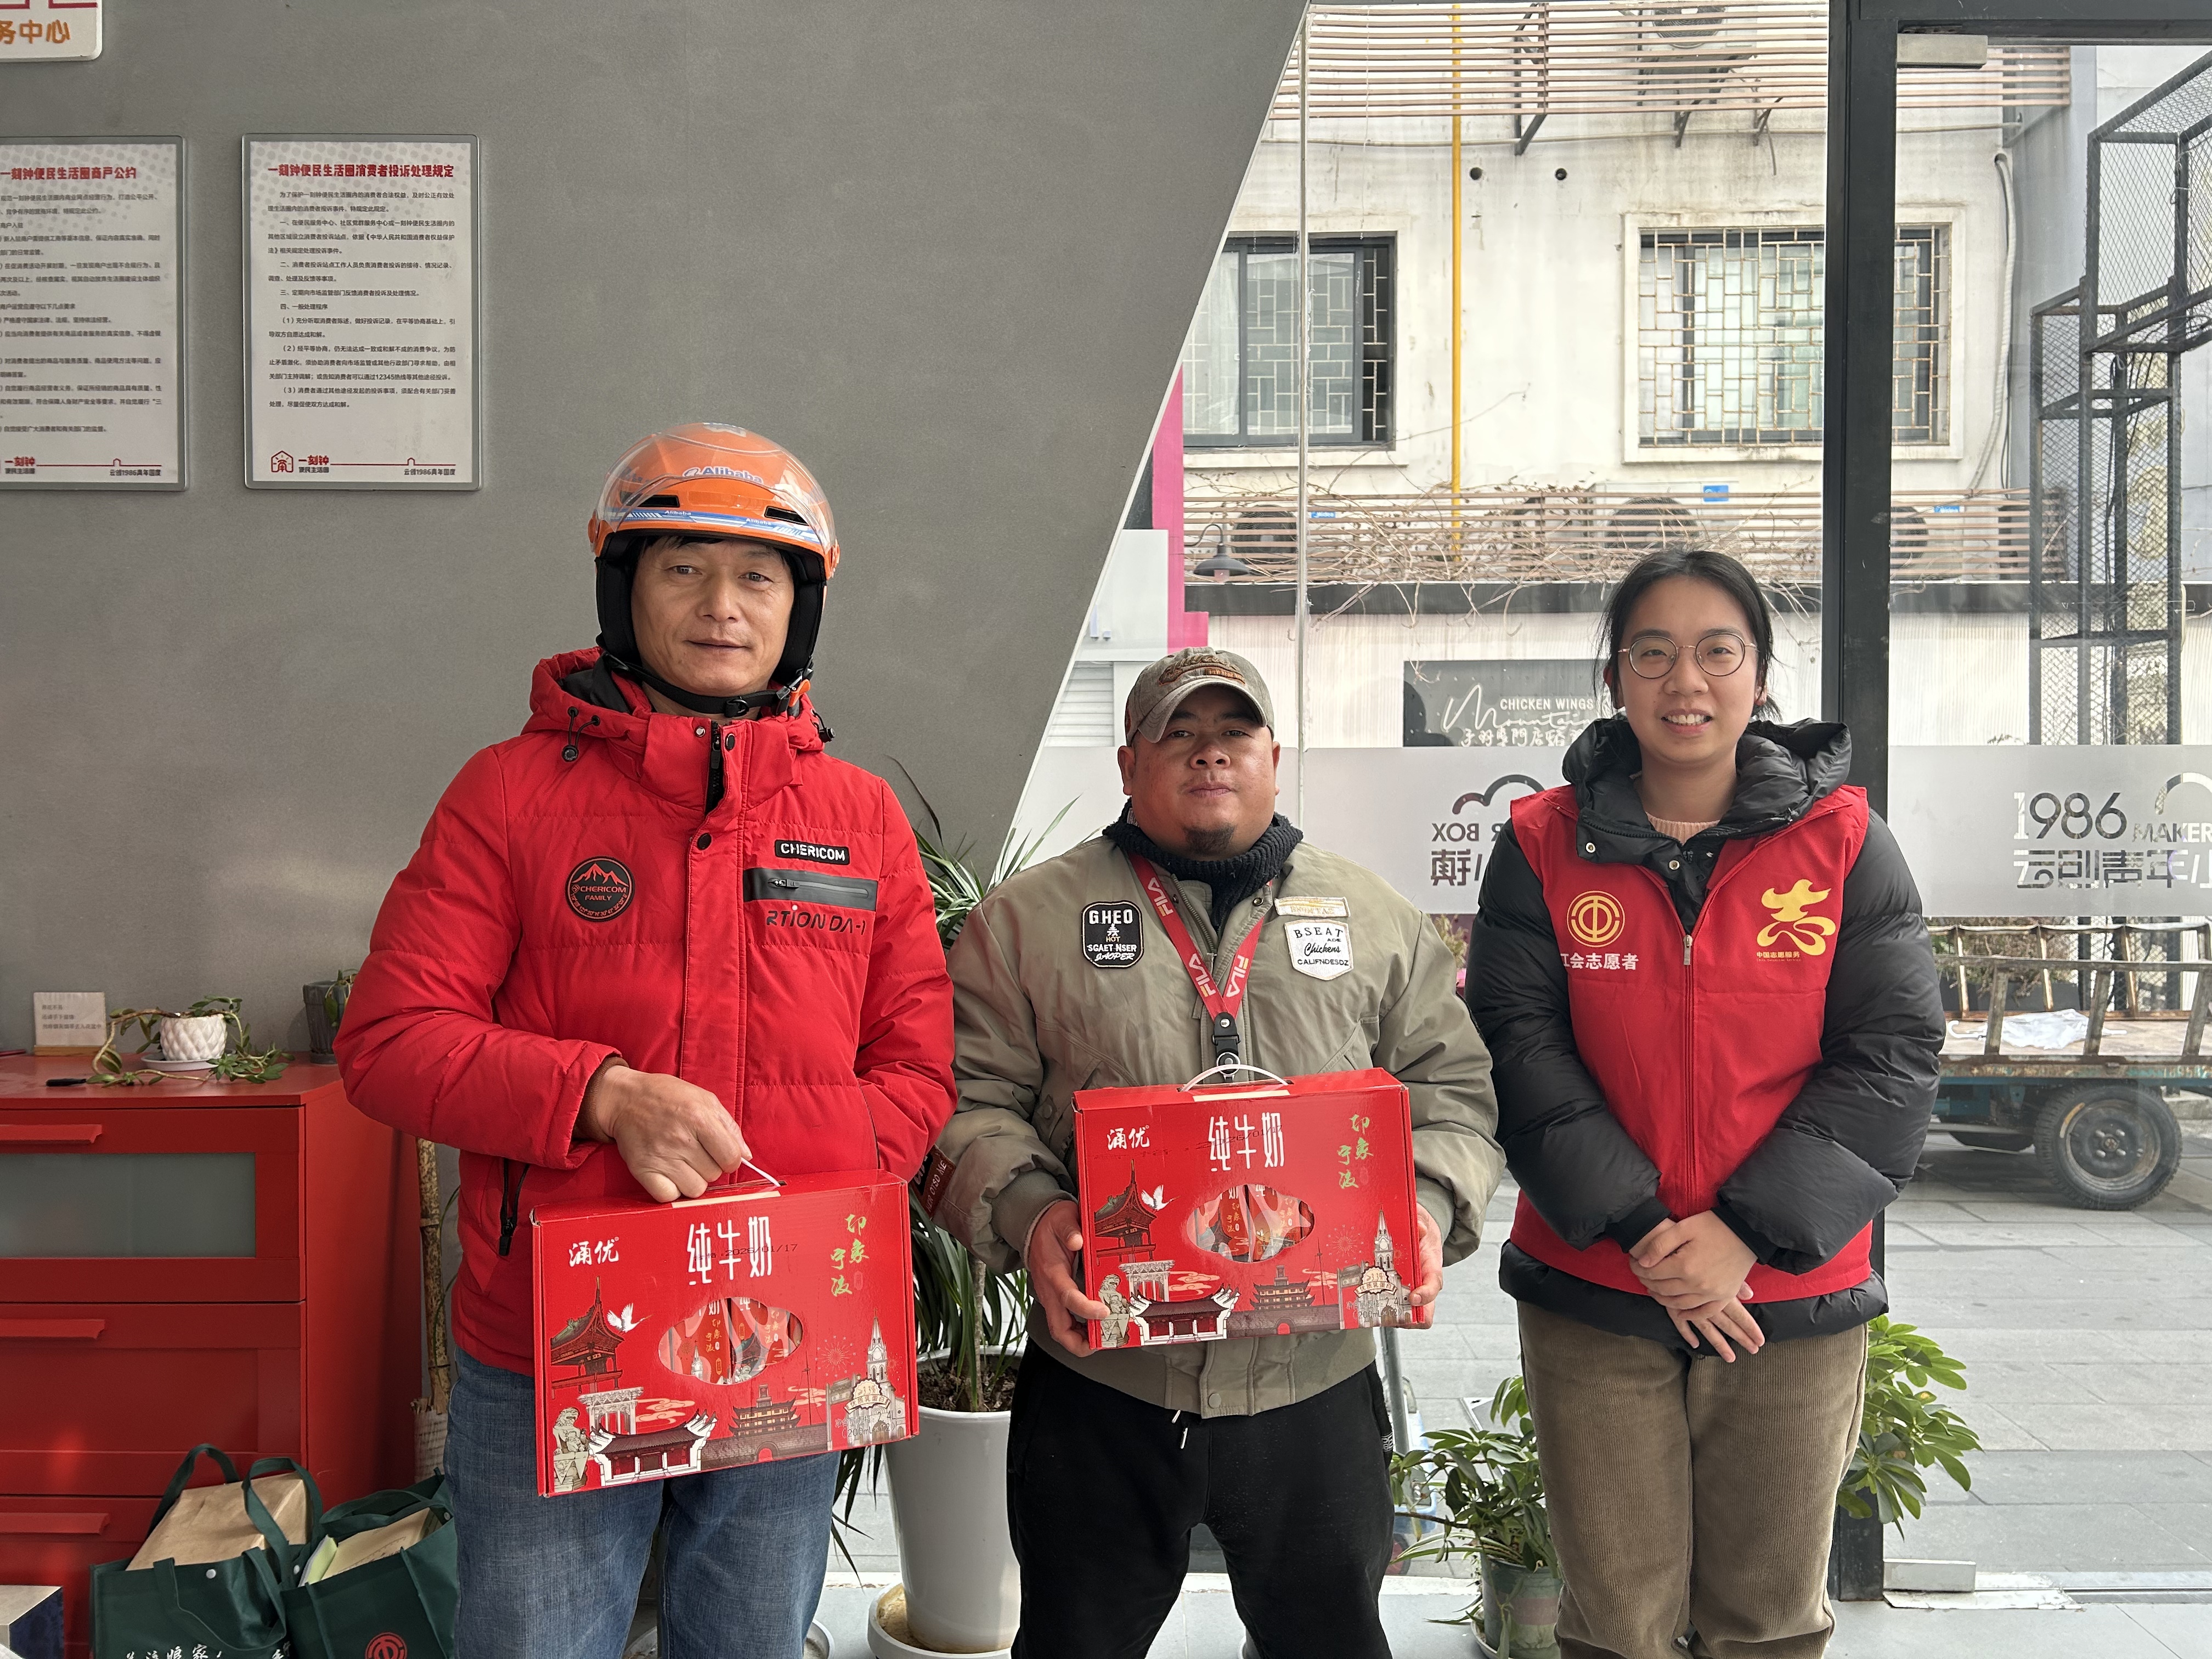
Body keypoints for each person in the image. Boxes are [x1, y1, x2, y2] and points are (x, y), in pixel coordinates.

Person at [336, 424, 956, 1659]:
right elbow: (391, 1039)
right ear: (624, 590)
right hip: (557, 1339)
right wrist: (603, 1097)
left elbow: (917, 1068)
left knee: (752, 1643)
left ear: (799, 609)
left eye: (758, 577)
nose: (723, 606)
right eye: (684, 569)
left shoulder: (861, 817)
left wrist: (816, 1175)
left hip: (785, 1328)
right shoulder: (508, 795)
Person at [928, 647, 1504, 1659]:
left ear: (1274, 757)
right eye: (1179, 733)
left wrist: (1422, 1205)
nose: (1210, 754)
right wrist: (1032, 1212)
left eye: (1235, 731)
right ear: (1128, 762)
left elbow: (1453, 1098)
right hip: (1106, 1380)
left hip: (1313, 1383)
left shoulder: (1377, 920)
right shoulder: (1024, 923)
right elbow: (964, 1100)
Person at [1466, 548, 1944, 1659]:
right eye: (1654, 652)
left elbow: (1892, 1055)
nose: (1687, 680)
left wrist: (1742, 1235)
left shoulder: (1845, 843)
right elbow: (1517, 1049)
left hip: (1786, 1292)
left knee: (1767, 1625)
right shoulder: (1540, 845)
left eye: (1718, 651)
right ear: (1615, 679)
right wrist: (1645, 1229)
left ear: (1760, 676)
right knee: (1616, 1628)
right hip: (1599, 1282)